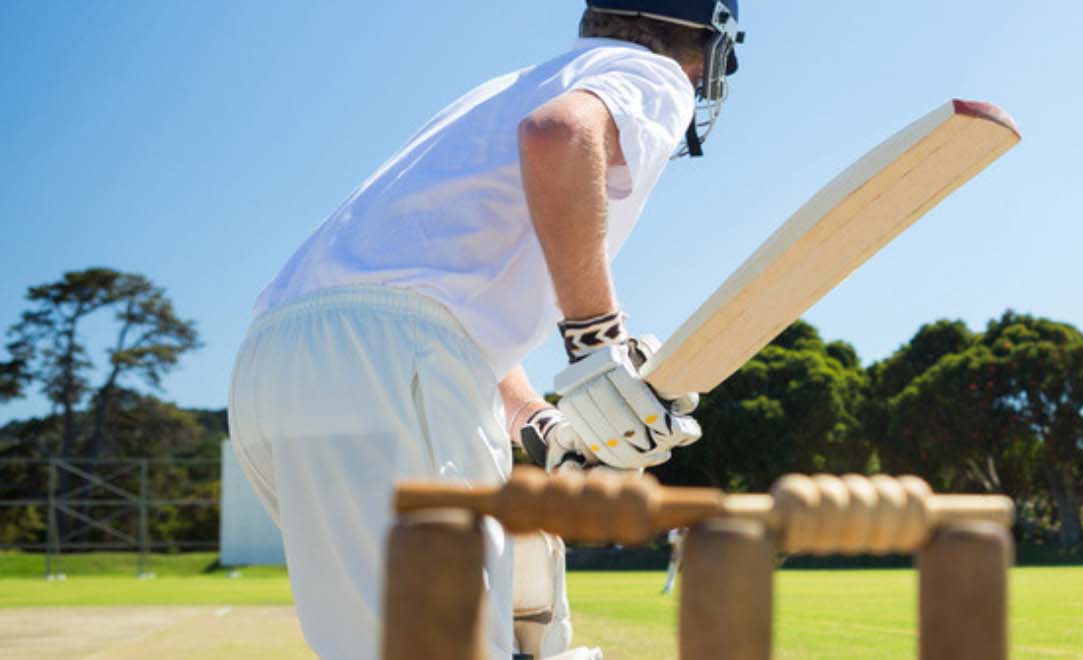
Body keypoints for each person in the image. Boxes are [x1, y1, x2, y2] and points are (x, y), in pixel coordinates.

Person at [226, 2, 746, 658]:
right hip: (389, 366)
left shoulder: (504, 90)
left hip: (275, 371)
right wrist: (597, 343)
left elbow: (432, 299)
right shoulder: (651, 72)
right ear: (707, 42)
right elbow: (559, 134)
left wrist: (536, 422)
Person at [661, 526, 686, 594]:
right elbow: (674, 547)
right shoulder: (672, 532)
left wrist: (684, 560)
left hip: (689, 555)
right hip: (677, 553)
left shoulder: (689, 532)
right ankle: (668, 589)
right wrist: (674, 556)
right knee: (671, 571)